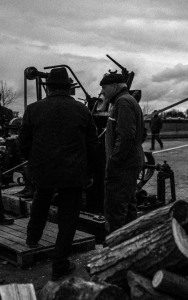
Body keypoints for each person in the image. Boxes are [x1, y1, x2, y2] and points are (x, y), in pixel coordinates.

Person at [18, 67, 98, 281]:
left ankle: (32, 239)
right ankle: (59, 265)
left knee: (40, 202)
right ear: (67, 88)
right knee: (68, 218)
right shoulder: (82, 110)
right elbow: (92, 145)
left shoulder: (33, 109)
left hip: (43, 170)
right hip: (73, 173)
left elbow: (23, 144)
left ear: (49, 88)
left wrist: (34, 161)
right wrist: (91, 172)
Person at [100, 72, 145, 234]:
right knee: (128, 207)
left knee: (115, 211)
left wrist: (114, 161)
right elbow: (141, 134)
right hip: (130, 162)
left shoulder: (122, 102)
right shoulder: (128, 100)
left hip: (122, 166)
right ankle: (131, 244)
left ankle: (114, 248)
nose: (102, 92)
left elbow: (126, 136)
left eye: (104, 88)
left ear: (114, 86)